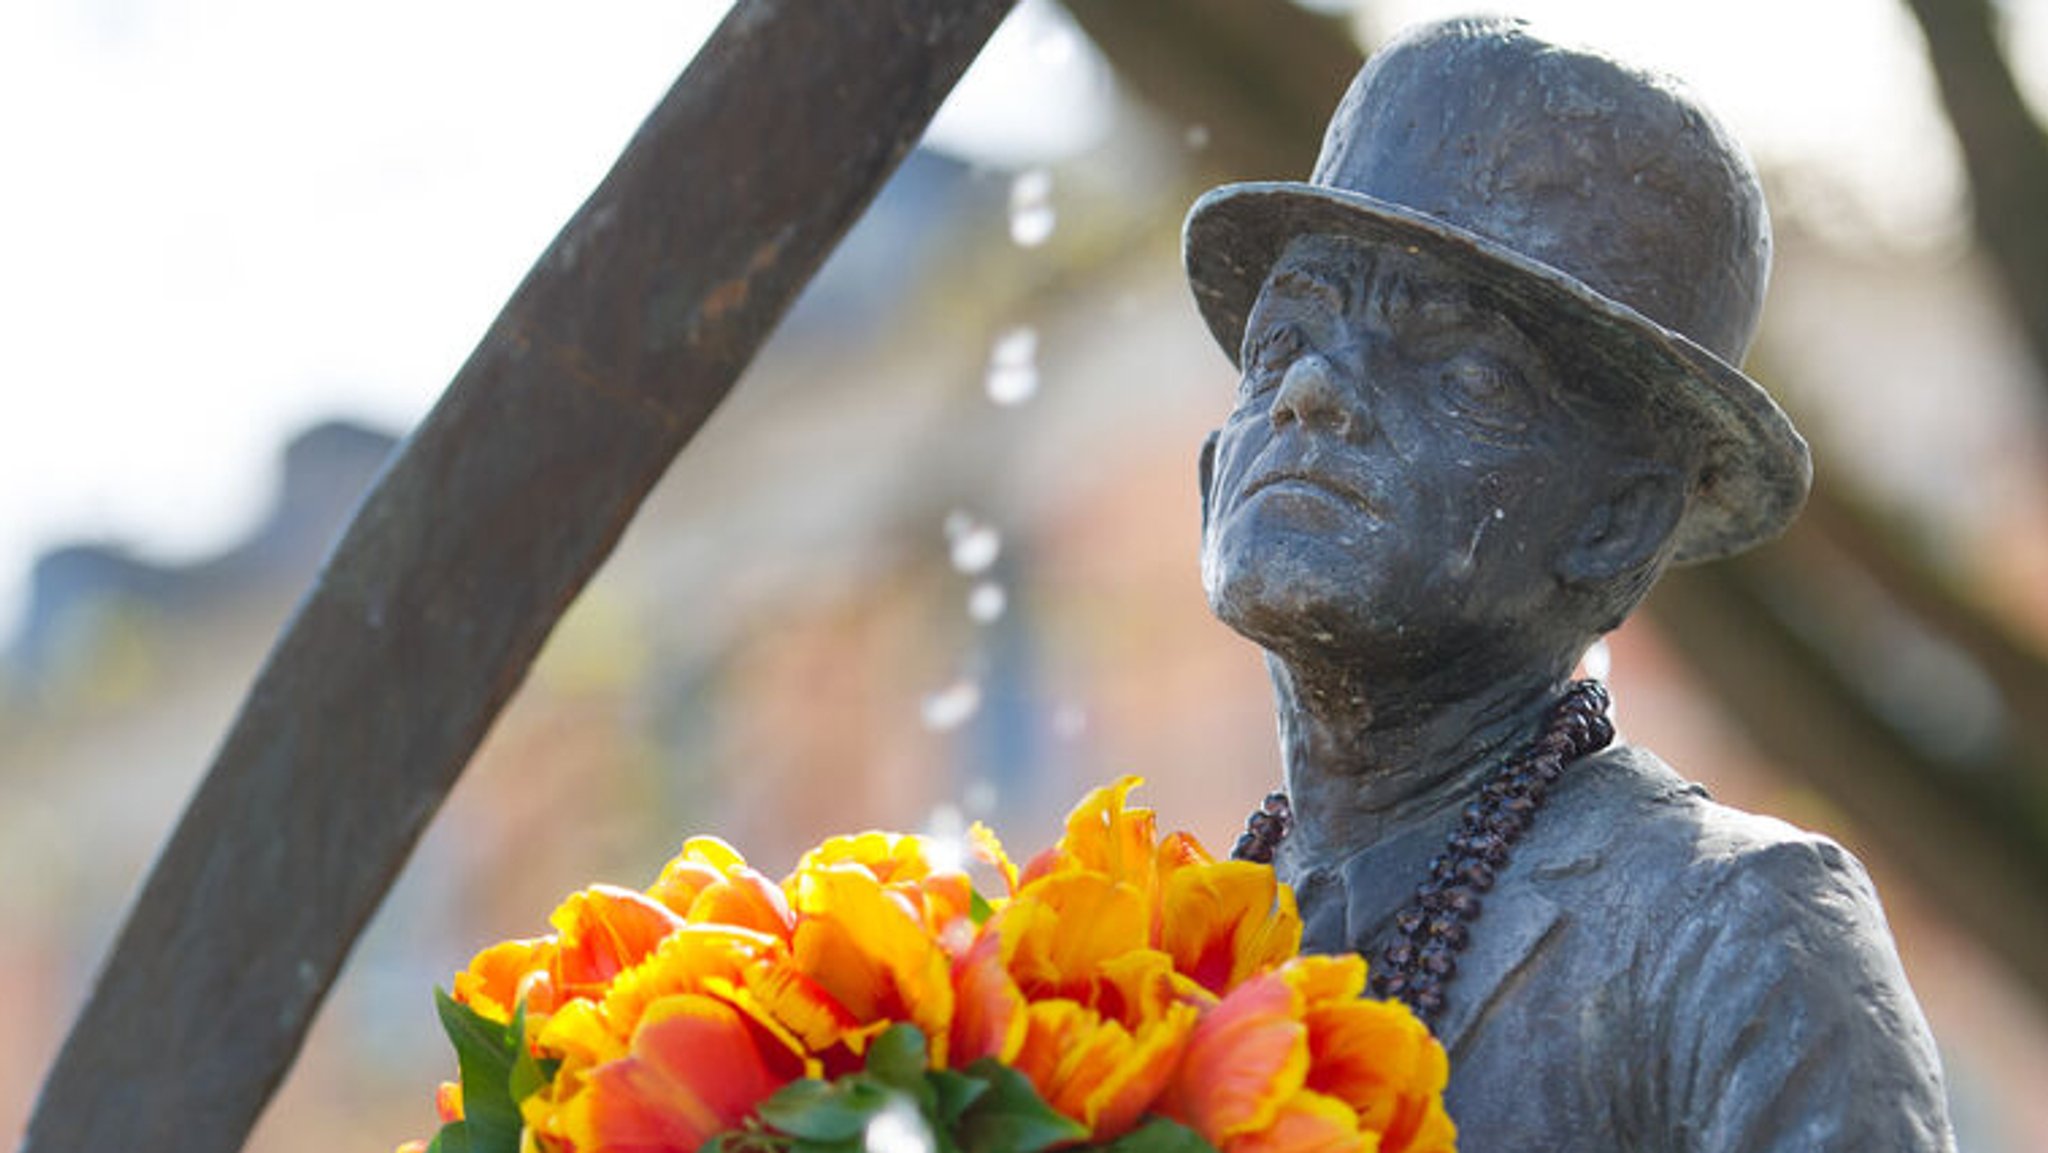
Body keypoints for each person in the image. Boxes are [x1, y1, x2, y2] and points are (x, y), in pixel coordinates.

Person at [1185, 17, 1957, 1151]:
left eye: (1463, 371)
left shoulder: (1731, 930)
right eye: (1278, 344)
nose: (1310, 392)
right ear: (1210, 473)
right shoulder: (1145, 953)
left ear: (1615, 521)